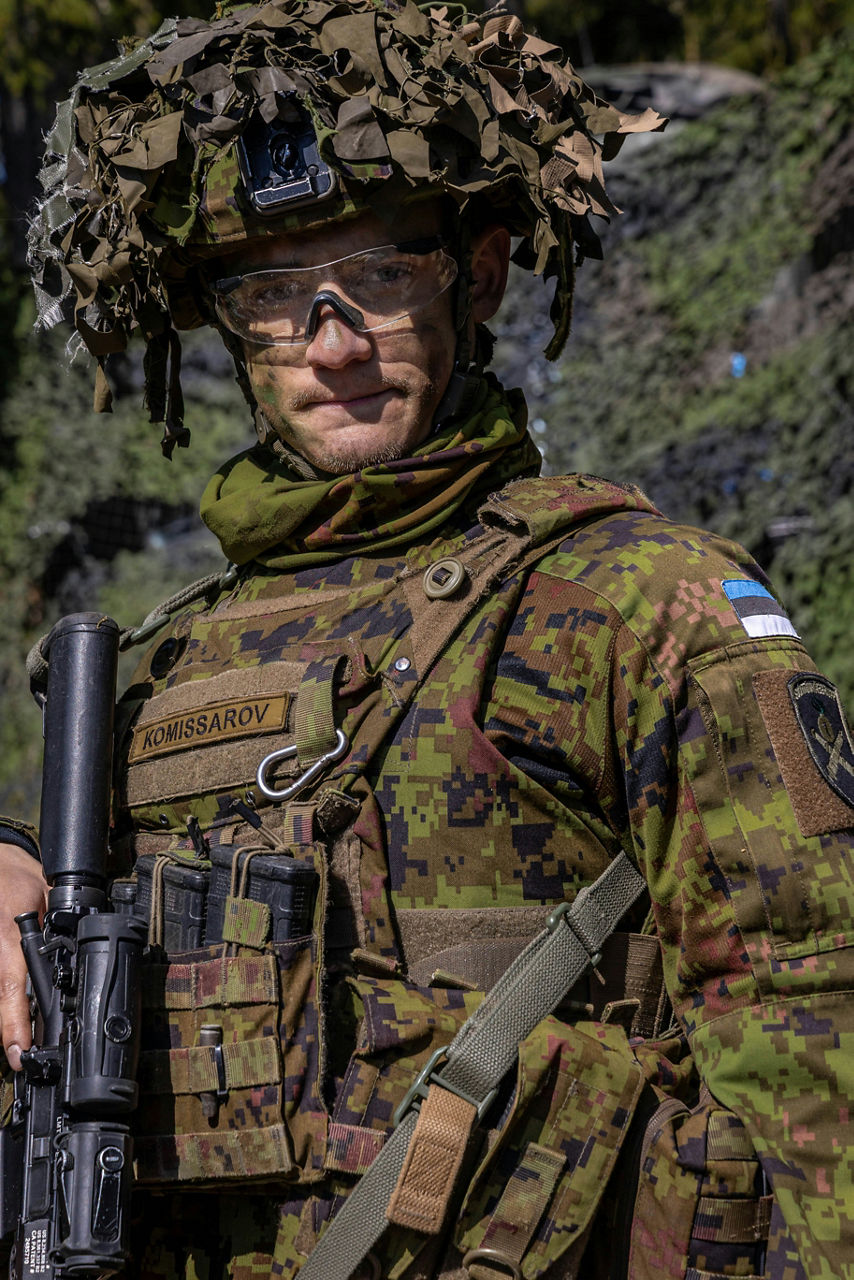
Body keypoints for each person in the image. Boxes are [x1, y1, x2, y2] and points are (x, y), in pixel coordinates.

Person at [2, 2, 853, 1277]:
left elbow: (811, 1021)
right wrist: (16, 865)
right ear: (230, 330)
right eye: (274, 295)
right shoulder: (168, 667)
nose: (331, 341)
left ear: (480, 274)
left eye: (381, 278)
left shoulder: (640, 602)